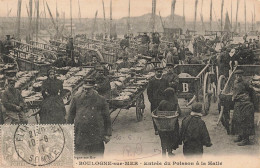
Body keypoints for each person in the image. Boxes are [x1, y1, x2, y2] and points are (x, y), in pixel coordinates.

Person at [67, 78, 112, 157]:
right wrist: (68, 132)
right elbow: (70, 116)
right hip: (80, 134)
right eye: (84, 89)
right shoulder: (76, 98)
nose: (86, 91)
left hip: (96, 135)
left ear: (94, 88)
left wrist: (107, 134)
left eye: (88, 89)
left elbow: (107, 118)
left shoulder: (101, 100)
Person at [232, 70, 257, 146]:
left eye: (239, 76)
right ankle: (240, 135)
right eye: (236, 76)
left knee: (245, 121)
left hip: (246, 104)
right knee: (237, 119)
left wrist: (252, 103)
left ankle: (246, 139)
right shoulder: (235, 82)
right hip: (238, 103)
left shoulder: (246, 83)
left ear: (242, 76)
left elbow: (252, 92)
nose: (238, 77)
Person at [155, 88, 180, 157]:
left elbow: (157, 111)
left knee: (163, 139)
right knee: (170, 138)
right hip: (171, 124)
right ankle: (170, 151)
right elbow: (178, 113)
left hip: (162, 124)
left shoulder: (162, 102)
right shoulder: (174, 103)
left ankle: (163, 153)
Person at [147, 67, 169, 135]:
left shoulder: (165, 80)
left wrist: (166, 100)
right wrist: (151, 100)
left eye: (160, 72)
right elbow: (149, 92)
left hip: (163, 101)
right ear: (155, 72)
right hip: (154, 101)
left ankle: (163, 128)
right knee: (155, 115)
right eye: (158, 72)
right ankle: (156, 129)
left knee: (163, 114)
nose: (159, 73)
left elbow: (167, 90)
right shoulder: (152, 81)